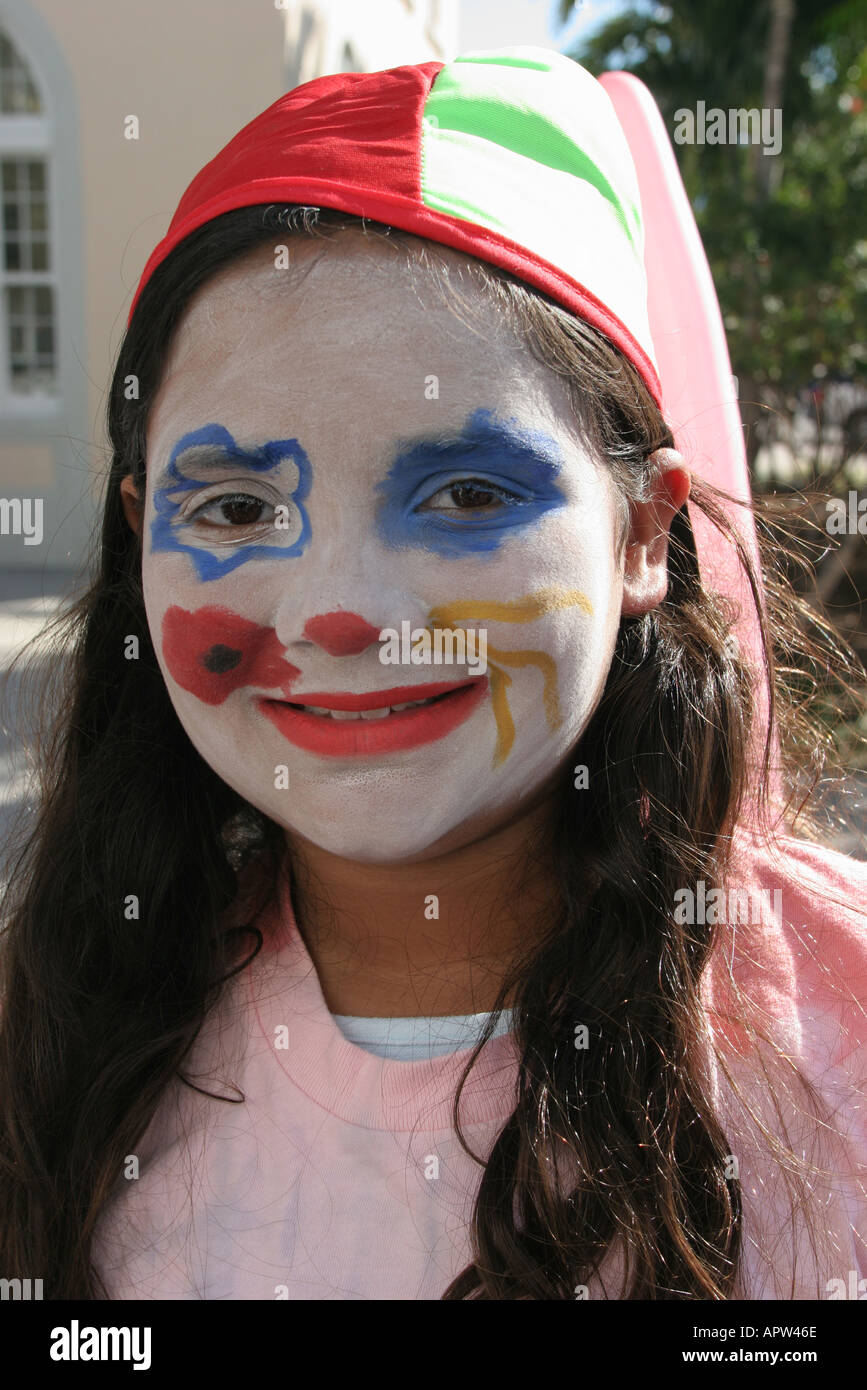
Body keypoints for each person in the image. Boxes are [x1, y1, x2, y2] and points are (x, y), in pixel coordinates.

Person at [1, 46, 865, 1301]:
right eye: (237, 506)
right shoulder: (51, 1018)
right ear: (141, 537)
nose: (343, 609)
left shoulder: (837, 1016)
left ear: (640, 533)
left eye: (464, 492)